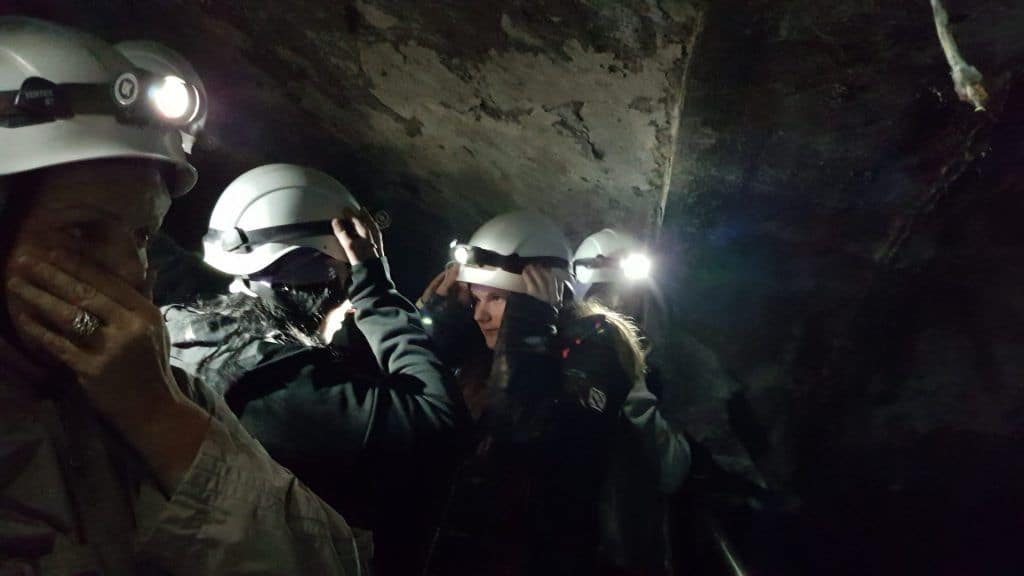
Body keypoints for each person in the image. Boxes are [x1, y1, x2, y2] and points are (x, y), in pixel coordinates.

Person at [0, 17, 370, 574]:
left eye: (144, 236)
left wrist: (158, 420)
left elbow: (329, 561)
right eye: (81, 233)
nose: (133, 270)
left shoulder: (158, 386)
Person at [163, 163, 468, 575]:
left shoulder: (183, 330)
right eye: (346, 280)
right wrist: (376, 288)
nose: (349, 304)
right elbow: (440, 421)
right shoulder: (276, 388)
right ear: (319, 274)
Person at [417, 210, 641, 575]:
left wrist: (527, 332)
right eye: (476, 299)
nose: (480, 315)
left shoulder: (596, 339)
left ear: (542, 295)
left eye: (497, 299)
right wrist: (431, 331)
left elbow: (530, 439)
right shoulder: (483, 353)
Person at [574, 228, 692, 575]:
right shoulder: (570, 369)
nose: (617, 310)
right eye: (604, 299)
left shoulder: (663, 367)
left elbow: (672, 468)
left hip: (622, 548)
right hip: (597, 547)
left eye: (625, 298)